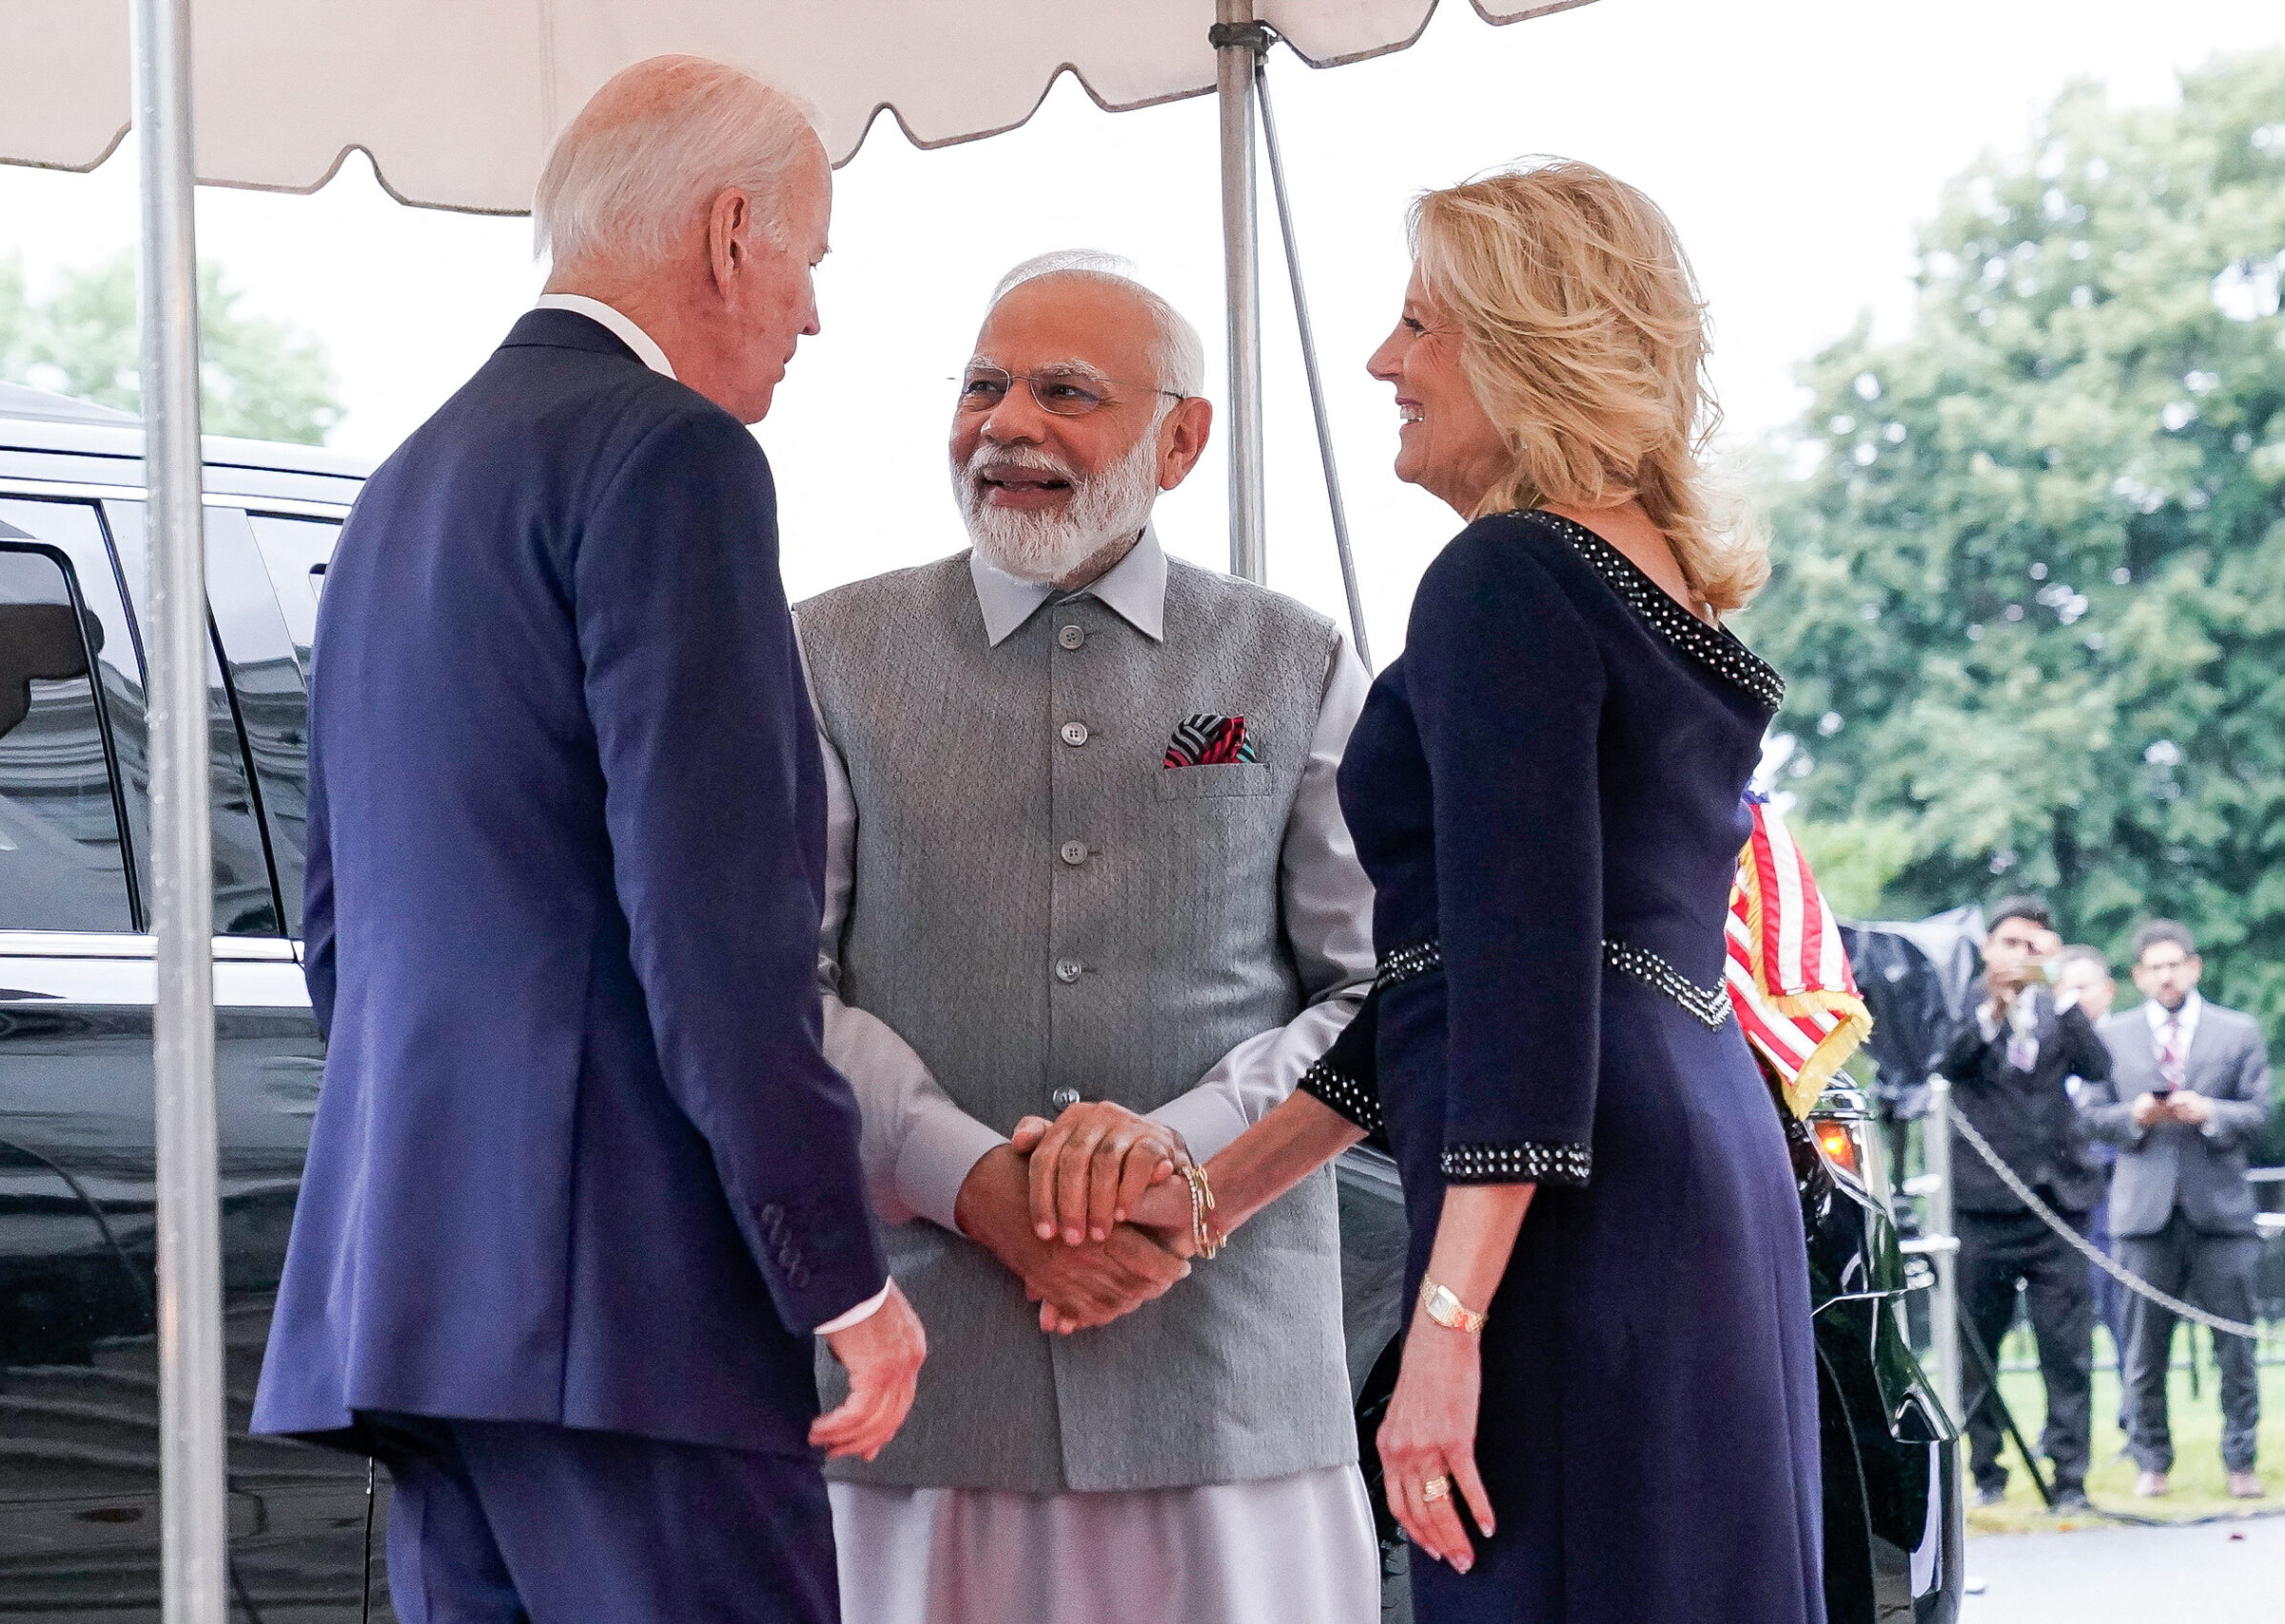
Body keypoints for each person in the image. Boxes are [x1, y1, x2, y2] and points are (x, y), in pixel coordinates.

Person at [250, 57, 926, 1624]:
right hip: (634, 1313)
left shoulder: (400, 488)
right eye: (812, 262)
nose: (811, 315)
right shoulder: (673, 458)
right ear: (732, 232)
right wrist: (835, 1269)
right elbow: (716, 930)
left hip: (418, 1297)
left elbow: (337, 925)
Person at [797, 251, 1381, 1624]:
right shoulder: (824, 650)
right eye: (985, 386)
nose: (1009, 425)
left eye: (1068, 392)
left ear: (1182, 438)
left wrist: (1175, 1163)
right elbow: (774, 986)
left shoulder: (1291, 659)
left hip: (1226, 1379)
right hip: (925, 1382)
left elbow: (1385, 988)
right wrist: (979, 1183)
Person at [1303, 160, 1822, 1622]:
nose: (1383, 362)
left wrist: (1446, 1328)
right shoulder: (1652, 583)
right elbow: (1477, 966)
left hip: (1565, 1206)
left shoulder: (1506, 577)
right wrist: (1222, 1180)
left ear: (1529, 342)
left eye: (1420, 325)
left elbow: (1523, 988)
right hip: (1695, 1147)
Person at [2083, 919, 2273, 1500]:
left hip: (2221, 1212)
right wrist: (2134, 1116)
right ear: (2139, 977)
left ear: (2194, 968)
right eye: (2154, 967)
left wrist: (2208, 1111)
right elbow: (2090, 1113)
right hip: (2144, 1214)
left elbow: (2263, 1112)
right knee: (2143, 1350)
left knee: (2235, 1344)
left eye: (2175, 964)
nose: (2166, 975)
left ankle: (2241, 1462)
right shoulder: (2111, 1037)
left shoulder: (2237, 1032)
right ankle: (2151, 1461)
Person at [1934, 896, 2111, 1508]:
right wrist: (1993, 1009)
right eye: (2011, 942)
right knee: (1977, 1347)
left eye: (2034, 944)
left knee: (2067, 1349)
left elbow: (2097, 1067)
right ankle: (1987, 1471)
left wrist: (2059, 989)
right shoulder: (1962, 1002)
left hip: (2058, 1203)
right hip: (1984, 1207)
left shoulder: (2061, 1009)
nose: (2021, 954)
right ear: (1989, 948)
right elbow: (1948, 1064)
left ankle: (2069, 1478)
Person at [2057, 945, 2130, 1373]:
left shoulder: (2126, 1047)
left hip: (2113, 1195)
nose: (2073, 997)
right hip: (2059, 1200)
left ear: (2107, 991)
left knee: (2120, 1305)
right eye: (2065, 988)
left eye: (2082, 987)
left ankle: (2133, 1415)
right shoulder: (2043, 1048)